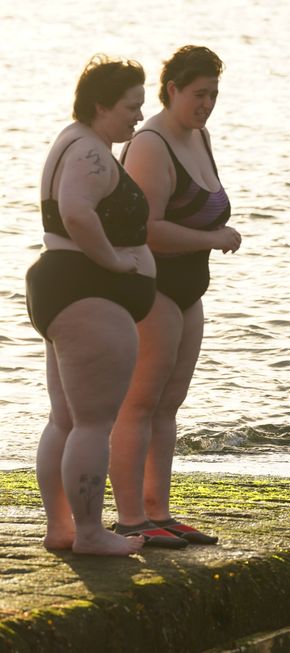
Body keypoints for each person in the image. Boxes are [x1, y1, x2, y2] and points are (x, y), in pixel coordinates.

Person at [108, 46, 240, 548]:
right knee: (140, 402)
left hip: (190, 287)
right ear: (172, 90)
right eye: (199, 94)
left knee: (170, 404)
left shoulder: (199, 136)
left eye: (214, 95)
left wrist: (212, 235)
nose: (207, 104)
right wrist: (212, 237)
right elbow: (147, 229)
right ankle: (130, 517)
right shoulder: (150, 143)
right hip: (153, 283)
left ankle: (158, 511)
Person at [26, 55, 152, 556]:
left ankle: (62, 528)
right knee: (94, 422)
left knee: (66, 418)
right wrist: (115, 262)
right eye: (131, 106)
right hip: (87, 293)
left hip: (64, 287)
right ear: (101, 105)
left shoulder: (75, 140)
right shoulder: (88, 152)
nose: (138, 117)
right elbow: (77, 212)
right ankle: (91, 532)